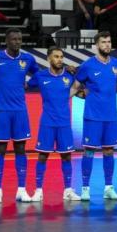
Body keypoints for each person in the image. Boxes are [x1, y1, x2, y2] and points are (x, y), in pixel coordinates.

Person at [0, 29, 39, 203]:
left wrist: (28, 84)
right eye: (14, 39)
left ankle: (21, 190)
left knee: (20, 149)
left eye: (20, 39)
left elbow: (38, 75)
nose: (17, 42)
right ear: (6, 41)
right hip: (1, 111)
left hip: (20, 111)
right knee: (0, 149)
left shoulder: (28, 59)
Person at [71, 32, 117, 201]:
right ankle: (85, 189)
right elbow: (75, 87)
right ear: (96, 46)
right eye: (103, 42)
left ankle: (109, 188)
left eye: (109, 42)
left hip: (111, 117)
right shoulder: (87, 65)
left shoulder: (116, 64)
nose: (107, 45)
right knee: (89, 151)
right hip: (93, 116)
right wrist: (61, 100)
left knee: (109, 151)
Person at [27, 47, 81, 202]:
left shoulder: (69, 76)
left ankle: (68, 191)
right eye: (56, 56)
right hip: (47, 123)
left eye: (61, 56)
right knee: (42, 156)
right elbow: (25, 85)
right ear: (49, 58)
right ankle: (38, 191)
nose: (60, 59)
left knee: (66, 157)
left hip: (64, 123)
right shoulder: (40, 76)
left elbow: (78, 88)